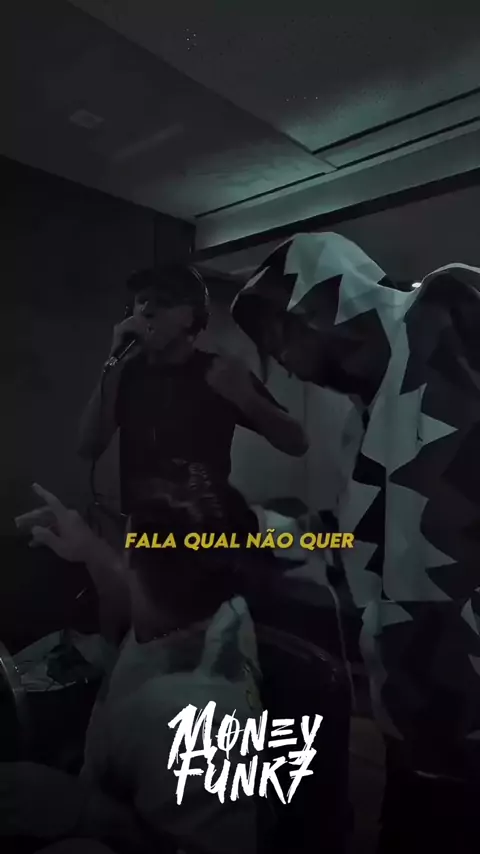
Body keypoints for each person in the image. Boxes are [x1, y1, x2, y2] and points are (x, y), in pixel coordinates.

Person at [230, 232, 480, 853]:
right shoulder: (359, 425)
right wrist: (258, 530)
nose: (286, 362)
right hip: (414, 717)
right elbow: (367, 543)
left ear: (324, 298)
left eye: (283, 336)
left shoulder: (447, 306)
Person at [1, 483, 268, 854]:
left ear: (133, 561)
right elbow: (134, 597)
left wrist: (85, 810)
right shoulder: (215, 609)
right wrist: (89, 549)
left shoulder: (193, 721)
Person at [77, 264, 307, 532]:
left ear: (191, 317)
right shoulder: (125, 375)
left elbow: (297, 442)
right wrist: (113, 365)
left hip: (206, 533)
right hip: (144, 535)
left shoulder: (217, 371)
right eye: (141, 301)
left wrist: (246, 398)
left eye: (163, 302)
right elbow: (87, 447)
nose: (147, 310)